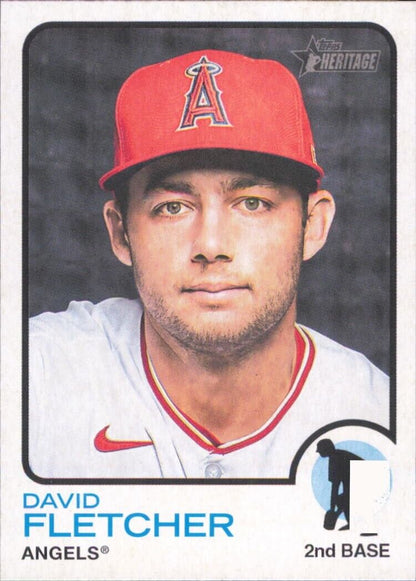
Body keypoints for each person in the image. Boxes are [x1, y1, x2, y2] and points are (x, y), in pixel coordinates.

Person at [28, 49, 388, 479]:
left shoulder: (383, 419)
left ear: (314, 226)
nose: (212, 245)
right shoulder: (35, 380)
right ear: (121, 234)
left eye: (253, 203)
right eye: (172, 207)